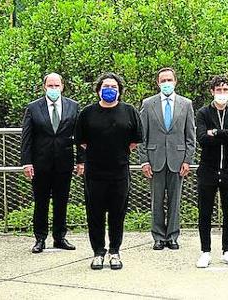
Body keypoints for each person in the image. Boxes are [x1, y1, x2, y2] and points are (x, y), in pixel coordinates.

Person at [75, 72, 143, 270]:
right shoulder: (87, 113)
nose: (110, 89)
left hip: (120, 172)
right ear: (98, 90)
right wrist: (99, 153)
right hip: (94, 172)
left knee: (117, 213)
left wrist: (118, 153)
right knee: (94, 214)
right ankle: (98, 252)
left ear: (120, 91)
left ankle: (115, 251)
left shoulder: (129, 111)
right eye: (106, 86)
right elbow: (81, 141)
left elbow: (135, 140)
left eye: (114, 87)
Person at [138, 67, 196, 250]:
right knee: (156, 200)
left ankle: (172, 235)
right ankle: (158, 236)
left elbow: (190, 136)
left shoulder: (186, 104)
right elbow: (142, 136)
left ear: (175, 81)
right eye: (163, 81)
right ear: (158, 83)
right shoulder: (148, 104)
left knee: (175, 200)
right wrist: (144, 160)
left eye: (169, 80)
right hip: (155, 160)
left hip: (178, 160)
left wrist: (188, 160)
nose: (166, 84)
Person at [20, 73, 79, 253]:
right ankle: (40, 238)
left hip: (64, 161)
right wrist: (26, 162)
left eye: (57, 85)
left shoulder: (73, 106)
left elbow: (80, 135)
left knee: (61, 201)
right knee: (41, 201)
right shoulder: (33, 108)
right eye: (50, 86)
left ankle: (60, 237)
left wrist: (81, 160)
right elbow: (26, 138)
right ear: (44, 87)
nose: (53, 89)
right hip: (40, 163)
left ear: (62, 86)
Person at [193, 76, 228, 268]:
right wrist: (227, 133)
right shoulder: (203, 112)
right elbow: (201, 138)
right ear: (212, 92)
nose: (221, 93)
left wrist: (215, 132)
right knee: (205, 212)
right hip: (208, 169)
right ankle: (205, 251)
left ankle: (227, 250)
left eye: (225, 89)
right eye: (218, 89)